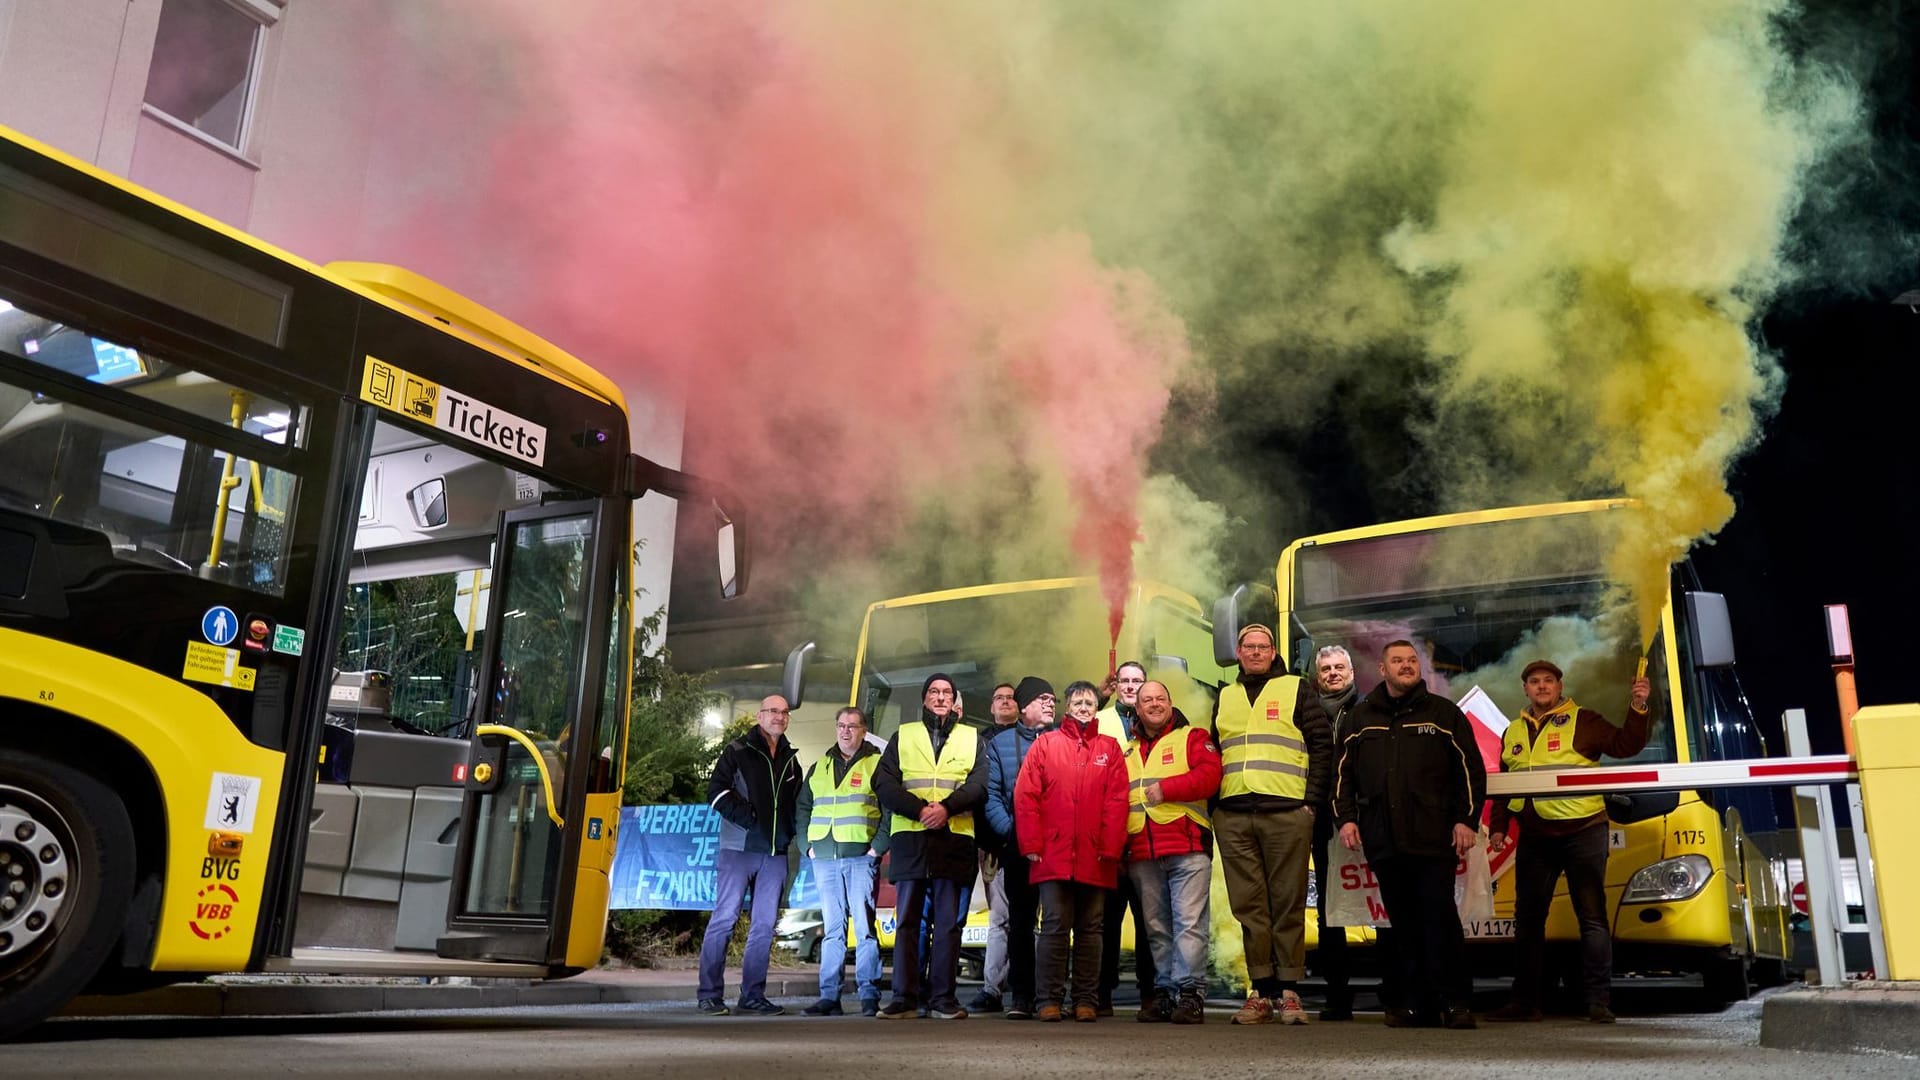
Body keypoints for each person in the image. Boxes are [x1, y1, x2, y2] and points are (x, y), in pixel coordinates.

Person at [1486, 659, 1655, 1025]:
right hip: (1535, 835)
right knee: (1528, 921)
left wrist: (1638, 707)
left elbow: (1626, 745)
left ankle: (1597, 1002)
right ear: (1526, 690)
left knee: (1591, 918)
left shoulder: (1585, 720)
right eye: (1534, 681)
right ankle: (1525, 1003)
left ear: (1560, 687)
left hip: (1584, 831)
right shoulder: (1513, 730)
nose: (1542, 686)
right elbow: (1504, 784)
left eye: (1549, 681)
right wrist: (1499, 827)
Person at [1335, 641, 1487, 1031]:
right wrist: (1346, 820)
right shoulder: (1359, 718)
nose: (1407, 666)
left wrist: (1466, 820)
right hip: (1383, 840)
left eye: (1412, 660)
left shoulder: (1444, 714)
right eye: (1397, 661)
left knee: (1440, 921)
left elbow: (1470, 771)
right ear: (1382, 670)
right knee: (1401, 925)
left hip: (1433, 838)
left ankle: (1454, 1003)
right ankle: (1414, 1004)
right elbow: (1343, 776)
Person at [1211, 624, 1332, 1025]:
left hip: (1286, 812)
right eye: (1249, 647)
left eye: (1263, 647)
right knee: (1249, 908)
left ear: (1273, 651)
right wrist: (1216, 808)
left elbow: (1321, 745)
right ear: (1239, 652)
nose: (1257, 653)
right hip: (1234, 814)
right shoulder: (1224, 696)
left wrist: (1311, 804)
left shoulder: (1296, 688)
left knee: (1287, 903)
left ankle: (1290, 992)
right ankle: (1260, 992)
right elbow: (1217, 753)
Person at [873, 673, 987, 1019]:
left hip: (953, 840)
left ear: (955, 701)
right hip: (911, 839)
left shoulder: (972, 738)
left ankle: (943, 1000)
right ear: (924, 699)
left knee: (949, 924)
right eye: (934, 692)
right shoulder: (903, 735)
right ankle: (904, 999)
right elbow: (884, 782)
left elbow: (981, 782)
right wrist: (921, 809)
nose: (940, 698)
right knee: (907, 922)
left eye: (946, 693)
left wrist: (947, 808)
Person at [1016, 679, 1130, 1022]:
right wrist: (1032, 844)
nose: (1084, 708)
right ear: (1068, 707)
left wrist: (1111, 848)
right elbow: (1026, 797)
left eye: (1089, 703)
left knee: (1090, 929)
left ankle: (1085, 1000)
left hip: (1096, 856)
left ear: (1097, 708)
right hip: (1053, 854)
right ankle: (1048, 999)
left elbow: (1118, 801)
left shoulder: (1109, 749)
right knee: (1053, 926)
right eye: (1078, 702)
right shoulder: (1046, 745)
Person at [697, 695, 803, 1016]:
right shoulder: (737, 750)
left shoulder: (791, 758)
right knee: (724, 919)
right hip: (739, 849)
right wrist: (749, 818)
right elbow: (715, 792)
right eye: (773, 711)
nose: (779, 717)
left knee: (763, 925)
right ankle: (709, 994)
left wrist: (788, 833)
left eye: (784, 712)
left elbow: (796, 803)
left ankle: (752, 994)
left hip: (775, 853)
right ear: (759, 716)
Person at [1125, 680, 1222, 1024]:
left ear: (1170, 703)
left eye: (1160, 699)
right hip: (1142, 852)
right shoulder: (1128, 751)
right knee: (1156, 928)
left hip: (1187, 847)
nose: (1154, 704)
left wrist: (1166, 789)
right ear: (1137, 709)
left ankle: (1190, 994)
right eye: (1147, 700)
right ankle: (1165, 993)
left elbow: (1211, 777)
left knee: (1188, 924)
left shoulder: (1193, 738)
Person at [795, 707, 889, 1017]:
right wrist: (806, 845)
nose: (845, 731)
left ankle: (868, 995)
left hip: (860, 857)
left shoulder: (877, 764)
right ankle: (829, 997)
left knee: (864, 928)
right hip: (824, 857)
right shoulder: (820, 765)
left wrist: (877, 848)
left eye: (851, 726)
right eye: (840, 725)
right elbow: (803, 808)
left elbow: (890, 809)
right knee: (833, 930)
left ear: (864, 731)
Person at [983, 676, 1054, 1020]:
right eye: (1043, 699)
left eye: (1053, 698)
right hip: (1019, 847)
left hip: (1056, 848)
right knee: (1021, 923)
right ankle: (1022, 995)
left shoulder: (1061, 740)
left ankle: (1051, 994)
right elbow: (992, 796)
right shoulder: (999, 745)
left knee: (1056, 923)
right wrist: (1015, 834)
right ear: (1025, 706)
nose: (1050, 703)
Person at [1095, 660, 1156, 1015]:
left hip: (1146, 835)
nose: (1131, 686)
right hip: (1109, 838)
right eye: (1125, 681)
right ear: (1115, 685)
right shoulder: (1100, 719)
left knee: (1150, 923)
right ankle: (1102, 993)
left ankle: (1149, 994)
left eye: (1137, 681)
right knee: (1106, 922)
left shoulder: (1159, 721)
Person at [1308, 644, 1364, 1021]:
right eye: (1326, 668)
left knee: (1379, 907)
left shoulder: (1367, 711)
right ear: (1317, 677)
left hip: (1360, 821)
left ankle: (1396, 992)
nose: (1332, 673)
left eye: (1339, 667)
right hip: (1320, 823)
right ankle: (1337, 995)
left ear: (1352, 673)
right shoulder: (1306, 714)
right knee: (1330, 912)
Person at [968, 682, 1023, 1014]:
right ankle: (992, 989)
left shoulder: (1035, 738)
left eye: (1011, 697)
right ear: (991, 706)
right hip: (993, 845)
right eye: (999, 697)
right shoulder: (978, 743)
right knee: (999, 918)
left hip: (1029, 842)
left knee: (1027, 919)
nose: (1005, 702)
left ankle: (1026, 987)